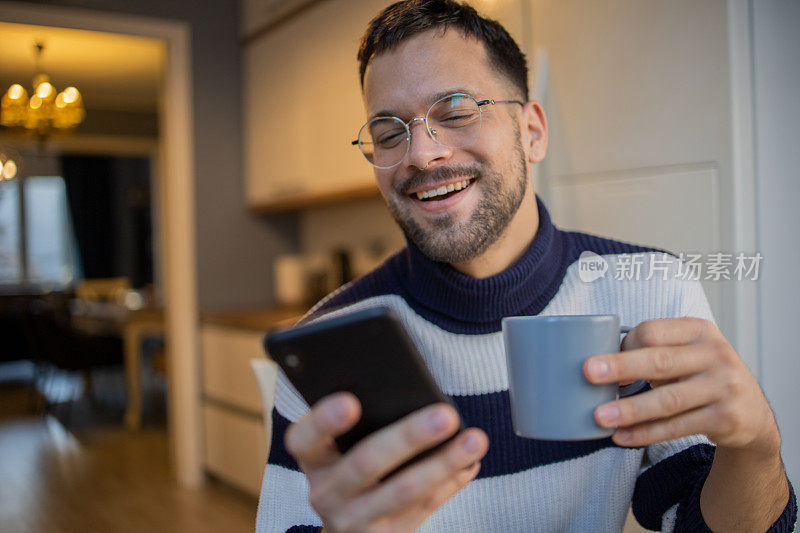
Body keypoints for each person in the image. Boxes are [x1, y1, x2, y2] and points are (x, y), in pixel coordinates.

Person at [256, 1, 796, 531]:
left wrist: (757, 448)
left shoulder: (653, 291)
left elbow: (703, 520)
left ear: (532, 132)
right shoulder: (327, 346)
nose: (421, 154)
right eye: (390, 132)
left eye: (457, 111)